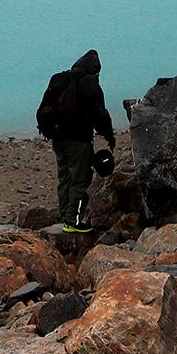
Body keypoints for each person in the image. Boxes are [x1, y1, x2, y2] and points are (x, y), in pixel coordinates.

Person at [36, 48, 115, 233]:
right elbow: (99, 113)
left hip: (57, 138)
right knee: (80, 180)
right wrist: (109, 136)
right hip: (78, 140)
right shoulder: (88, 83)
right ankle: (73, 221)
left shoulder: (62, 80)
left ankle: (65, 216)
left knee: (64, 178)